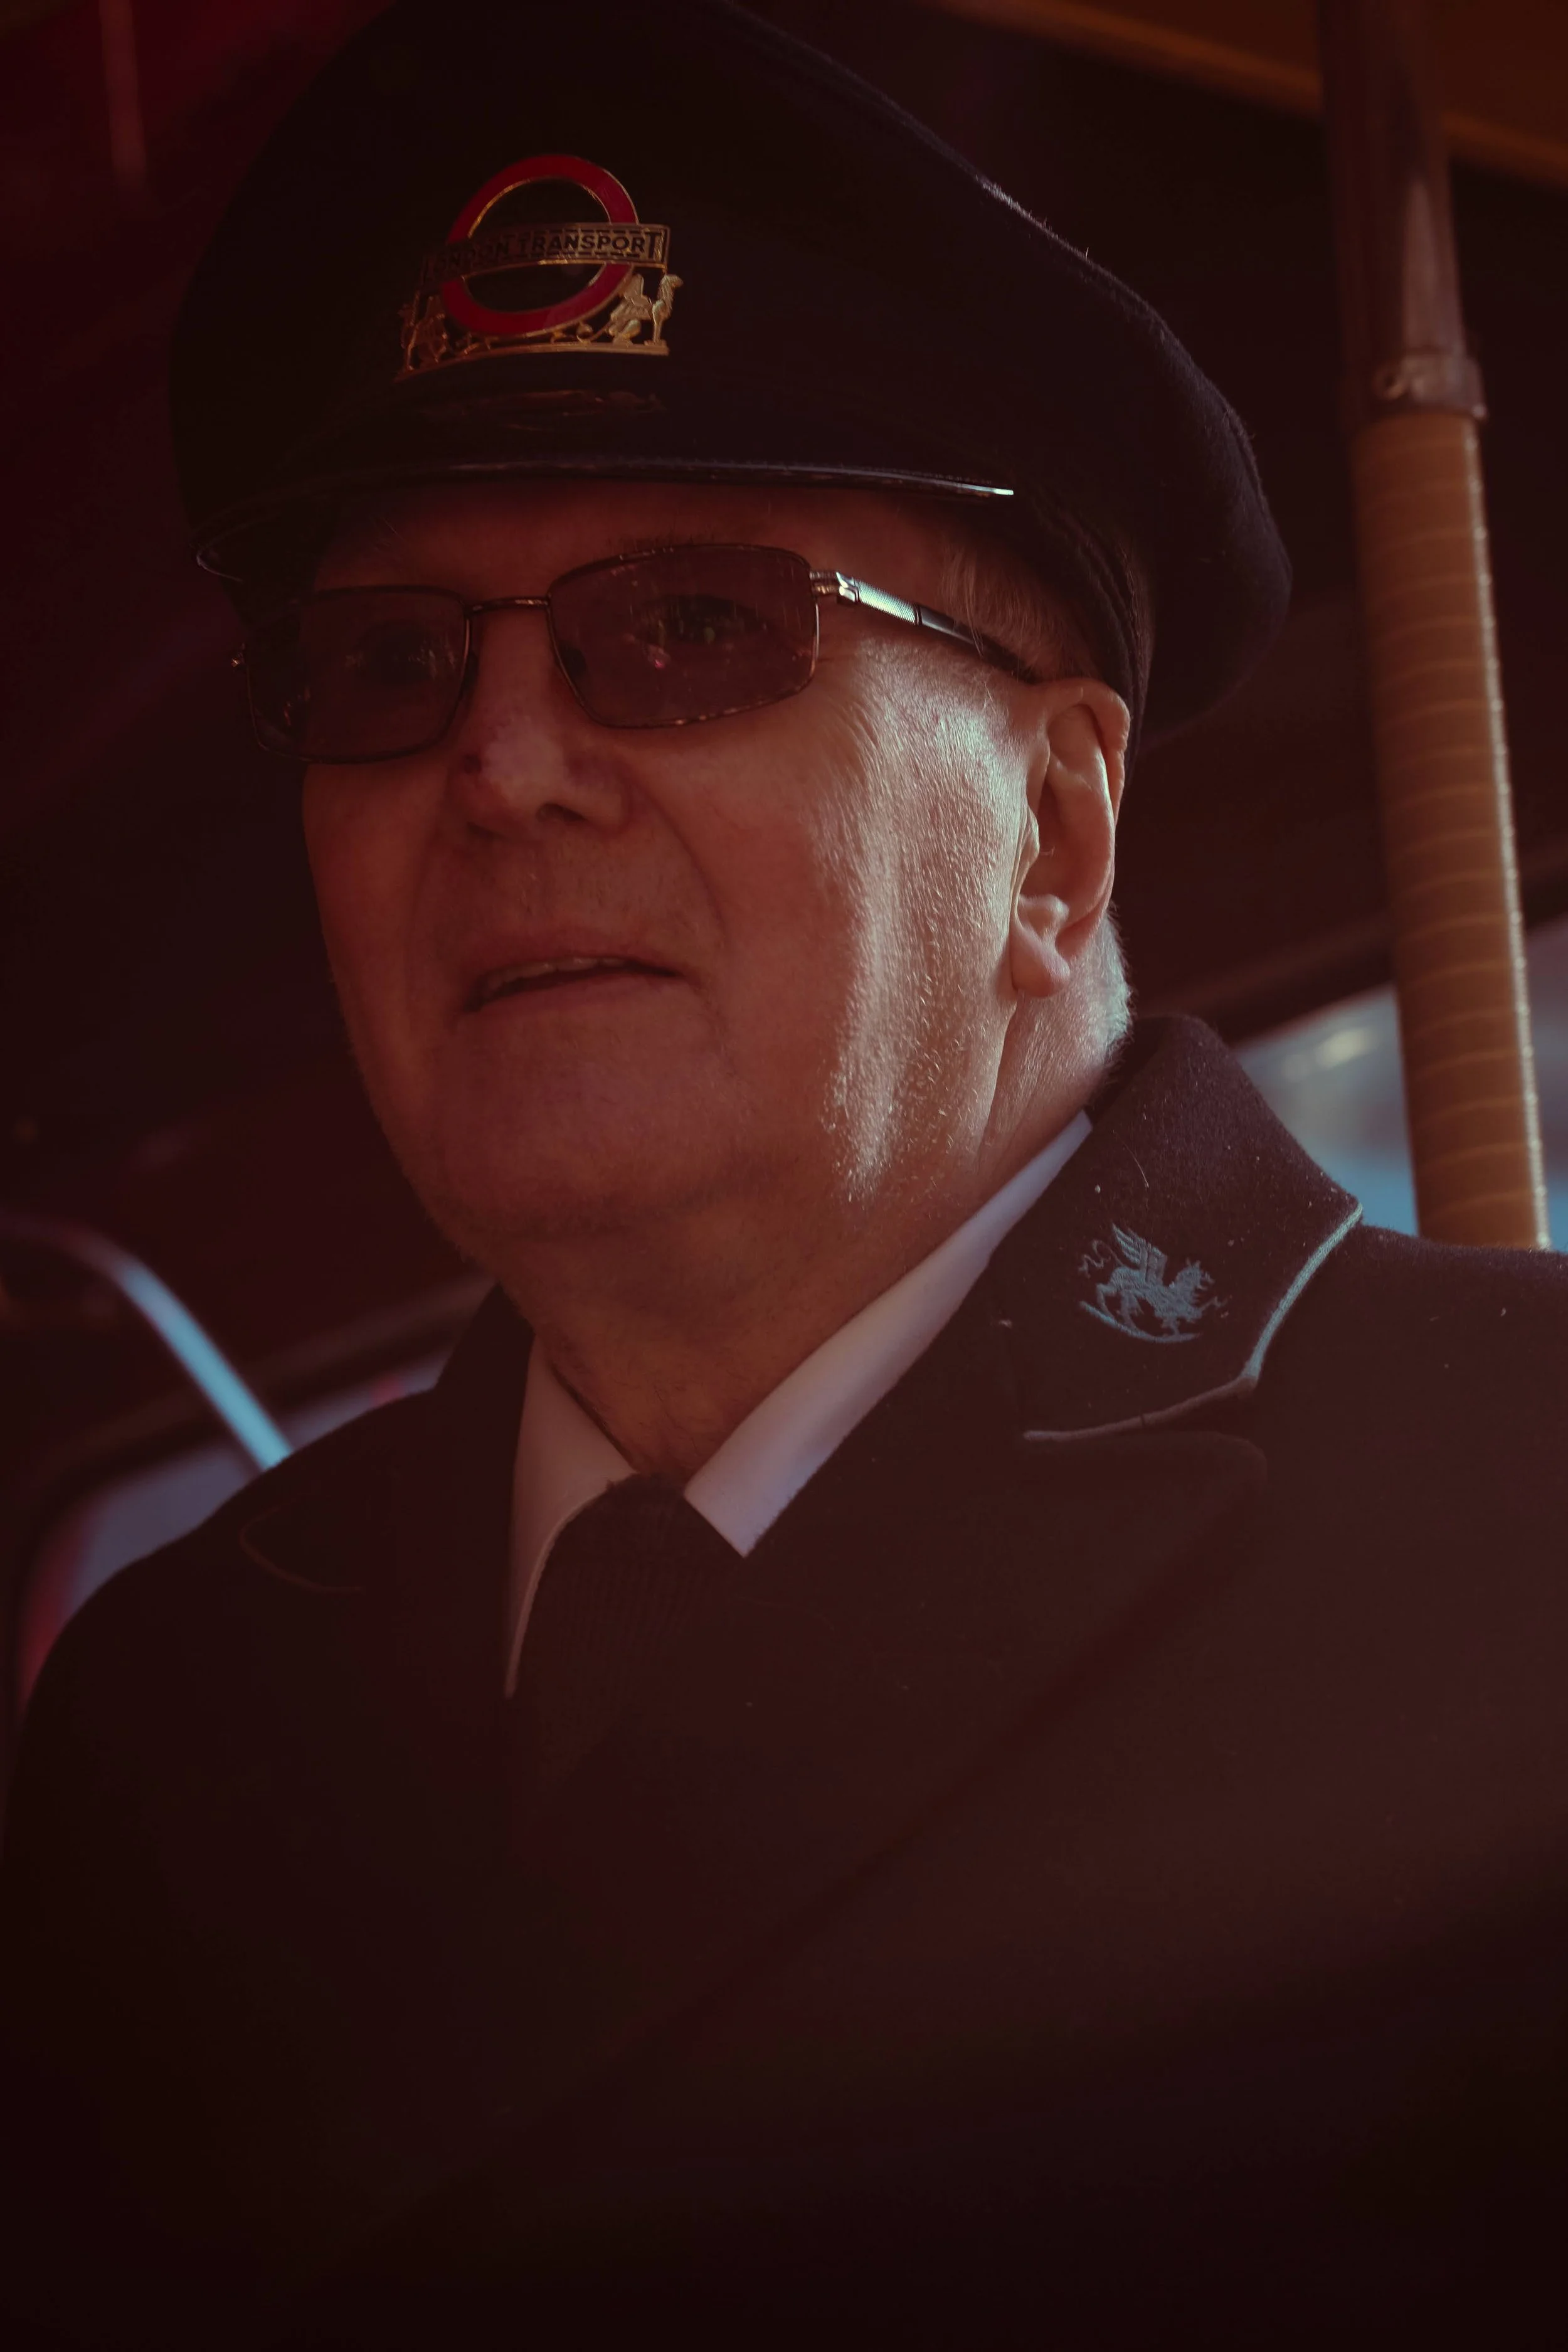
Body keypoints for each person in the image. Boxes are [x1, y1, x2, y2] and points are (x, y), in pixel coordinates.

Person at [3, 3, 1566, 2346]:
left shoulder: (1518, 1531)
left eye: (689, 628)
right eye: (391, 663)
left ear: (1051, 831)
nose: (503, 762)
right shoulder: (172, 1719)